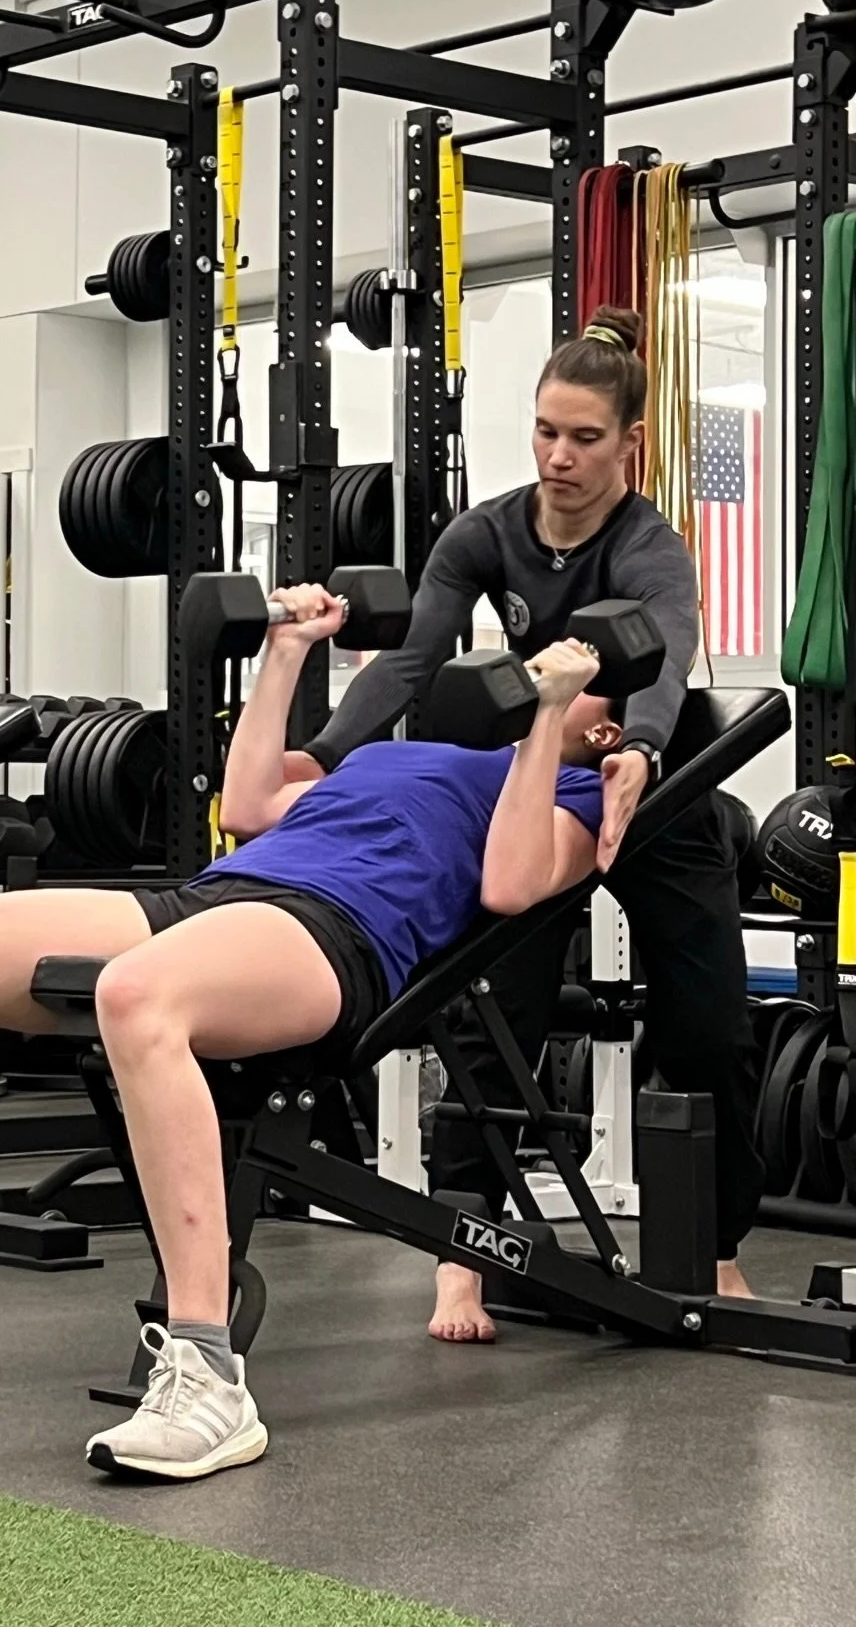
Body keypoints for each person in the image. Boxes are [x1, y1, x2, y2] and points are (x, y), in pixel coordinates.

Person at [0, 586, 615, 1481]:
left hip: (333, 934)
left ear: (607, 727)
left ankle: (208, 1373)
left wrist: (544, 725)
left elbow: (507, 885)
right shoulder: (391, 757)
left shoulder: (577, 792)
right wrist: (288, 650)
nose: (549, 667)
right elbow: (252, 803)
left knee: (138, 995)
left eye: (584, 674)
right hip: (212, 897)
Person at [289, 306, 760, 1345]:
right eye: (545, 429)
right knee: (492, 1009)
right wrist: (320, 752)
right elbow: (414, 660)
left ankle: (714, 1243)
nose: (559, 455)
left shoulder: (651, 547)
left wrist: (638, 745)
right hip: (540, 781)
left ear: (631, 443)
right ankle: (466, 1253)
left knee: (709, 1024)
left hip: (658, 782)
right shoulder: (485, 532)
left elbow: (669, 657)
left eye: (585, 437)